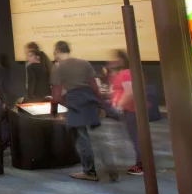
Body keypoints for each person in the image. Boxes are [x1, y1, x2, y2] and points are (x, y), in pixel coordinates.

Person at [52, 41, 116, 182]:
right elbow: (94, 86)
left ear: (57, 51)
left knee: (82, 139)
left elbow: (56, 94)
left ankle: (89, 172)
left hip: (75, 103)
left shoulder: (59, 68)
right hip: (90, 101)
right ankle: (110, 164)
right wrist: (101, 105)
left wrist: (54, 111)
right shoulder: (84, 63)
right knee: (98, 137)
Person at [109, 50, 144, 176]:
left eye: (115, 59)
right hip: (130, 110)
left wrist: (119, 105)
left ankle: (141, 165)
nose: (112, 61)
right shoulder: (125, 73)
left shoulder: (125, 73)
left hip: (131, 111)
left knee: (136, 138)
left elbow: (129, 92)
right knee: (136, 137)